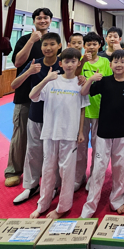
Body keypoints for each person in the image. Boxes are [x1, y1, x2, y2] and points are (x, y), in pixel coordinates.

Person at [29, 48, 88, 219]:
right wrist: (46, 79)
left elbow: (83, 109)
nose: (69, 65)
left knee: (66, 172)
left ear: (78, 63)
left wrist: (80, 131)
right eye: (66, 61)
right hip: (50, 132)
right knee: (48, 169)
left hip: (69, 134)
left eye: (73, 61)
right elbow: (32, 95)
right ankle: (43, 204)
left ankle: (63, 207)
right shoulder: (52, 81)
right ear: (60, 63)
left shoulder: (80, 83)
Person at [80, 50, 124, 217]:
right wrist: (90, 79)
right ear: (110, 65)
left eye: (122, 61)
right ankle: (90, 205)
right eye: (115, 61)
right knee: (99, 169)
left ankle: (117, 200)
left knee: (121, 168)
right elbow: (84, 92)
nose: (119, 64)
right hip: (104, 132)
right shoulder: (104, 81)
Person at [10, 32, 63, 205]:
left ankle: (53, 186)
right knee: (33, 151)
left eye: (52, 44)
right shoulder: (35, 63)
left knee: (53, 154)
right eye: (45, 45)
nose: (48, 48)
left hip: (55, 116)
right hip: (36, 115)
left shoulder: (63, 64)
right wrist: (29, 72)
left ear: (59, 46)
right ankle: (31, 186)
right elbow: (14, 85)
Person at [4, 7, 54, 187]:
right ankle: (13, 171)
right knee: (21, 135)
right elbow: (17, 62)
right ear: (34, 21)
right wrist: (32, 41)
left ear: (50, 20)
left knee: (44, 135)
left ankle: (38, 169)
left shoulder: (53, 41)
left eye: (46, 18)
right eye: (39, 18)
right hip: (25, 94)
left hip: (47, 97)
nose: (42, 20)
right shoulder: (25, 39)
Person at [75, 32, 113, 191]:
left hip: (100, 109)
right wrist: (82, 64)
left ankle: (94, 177)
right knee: (80, 146)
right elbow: (73, 76)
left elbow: (110, 82)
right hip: (82, 109)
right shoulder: (79, 61)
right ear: (84, 46)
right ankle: (78, 177)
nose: (91, 47)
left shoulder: (105, 62)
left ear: (100, 45)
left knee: (98, 148)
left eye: (94, 44)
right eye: (88, 44)